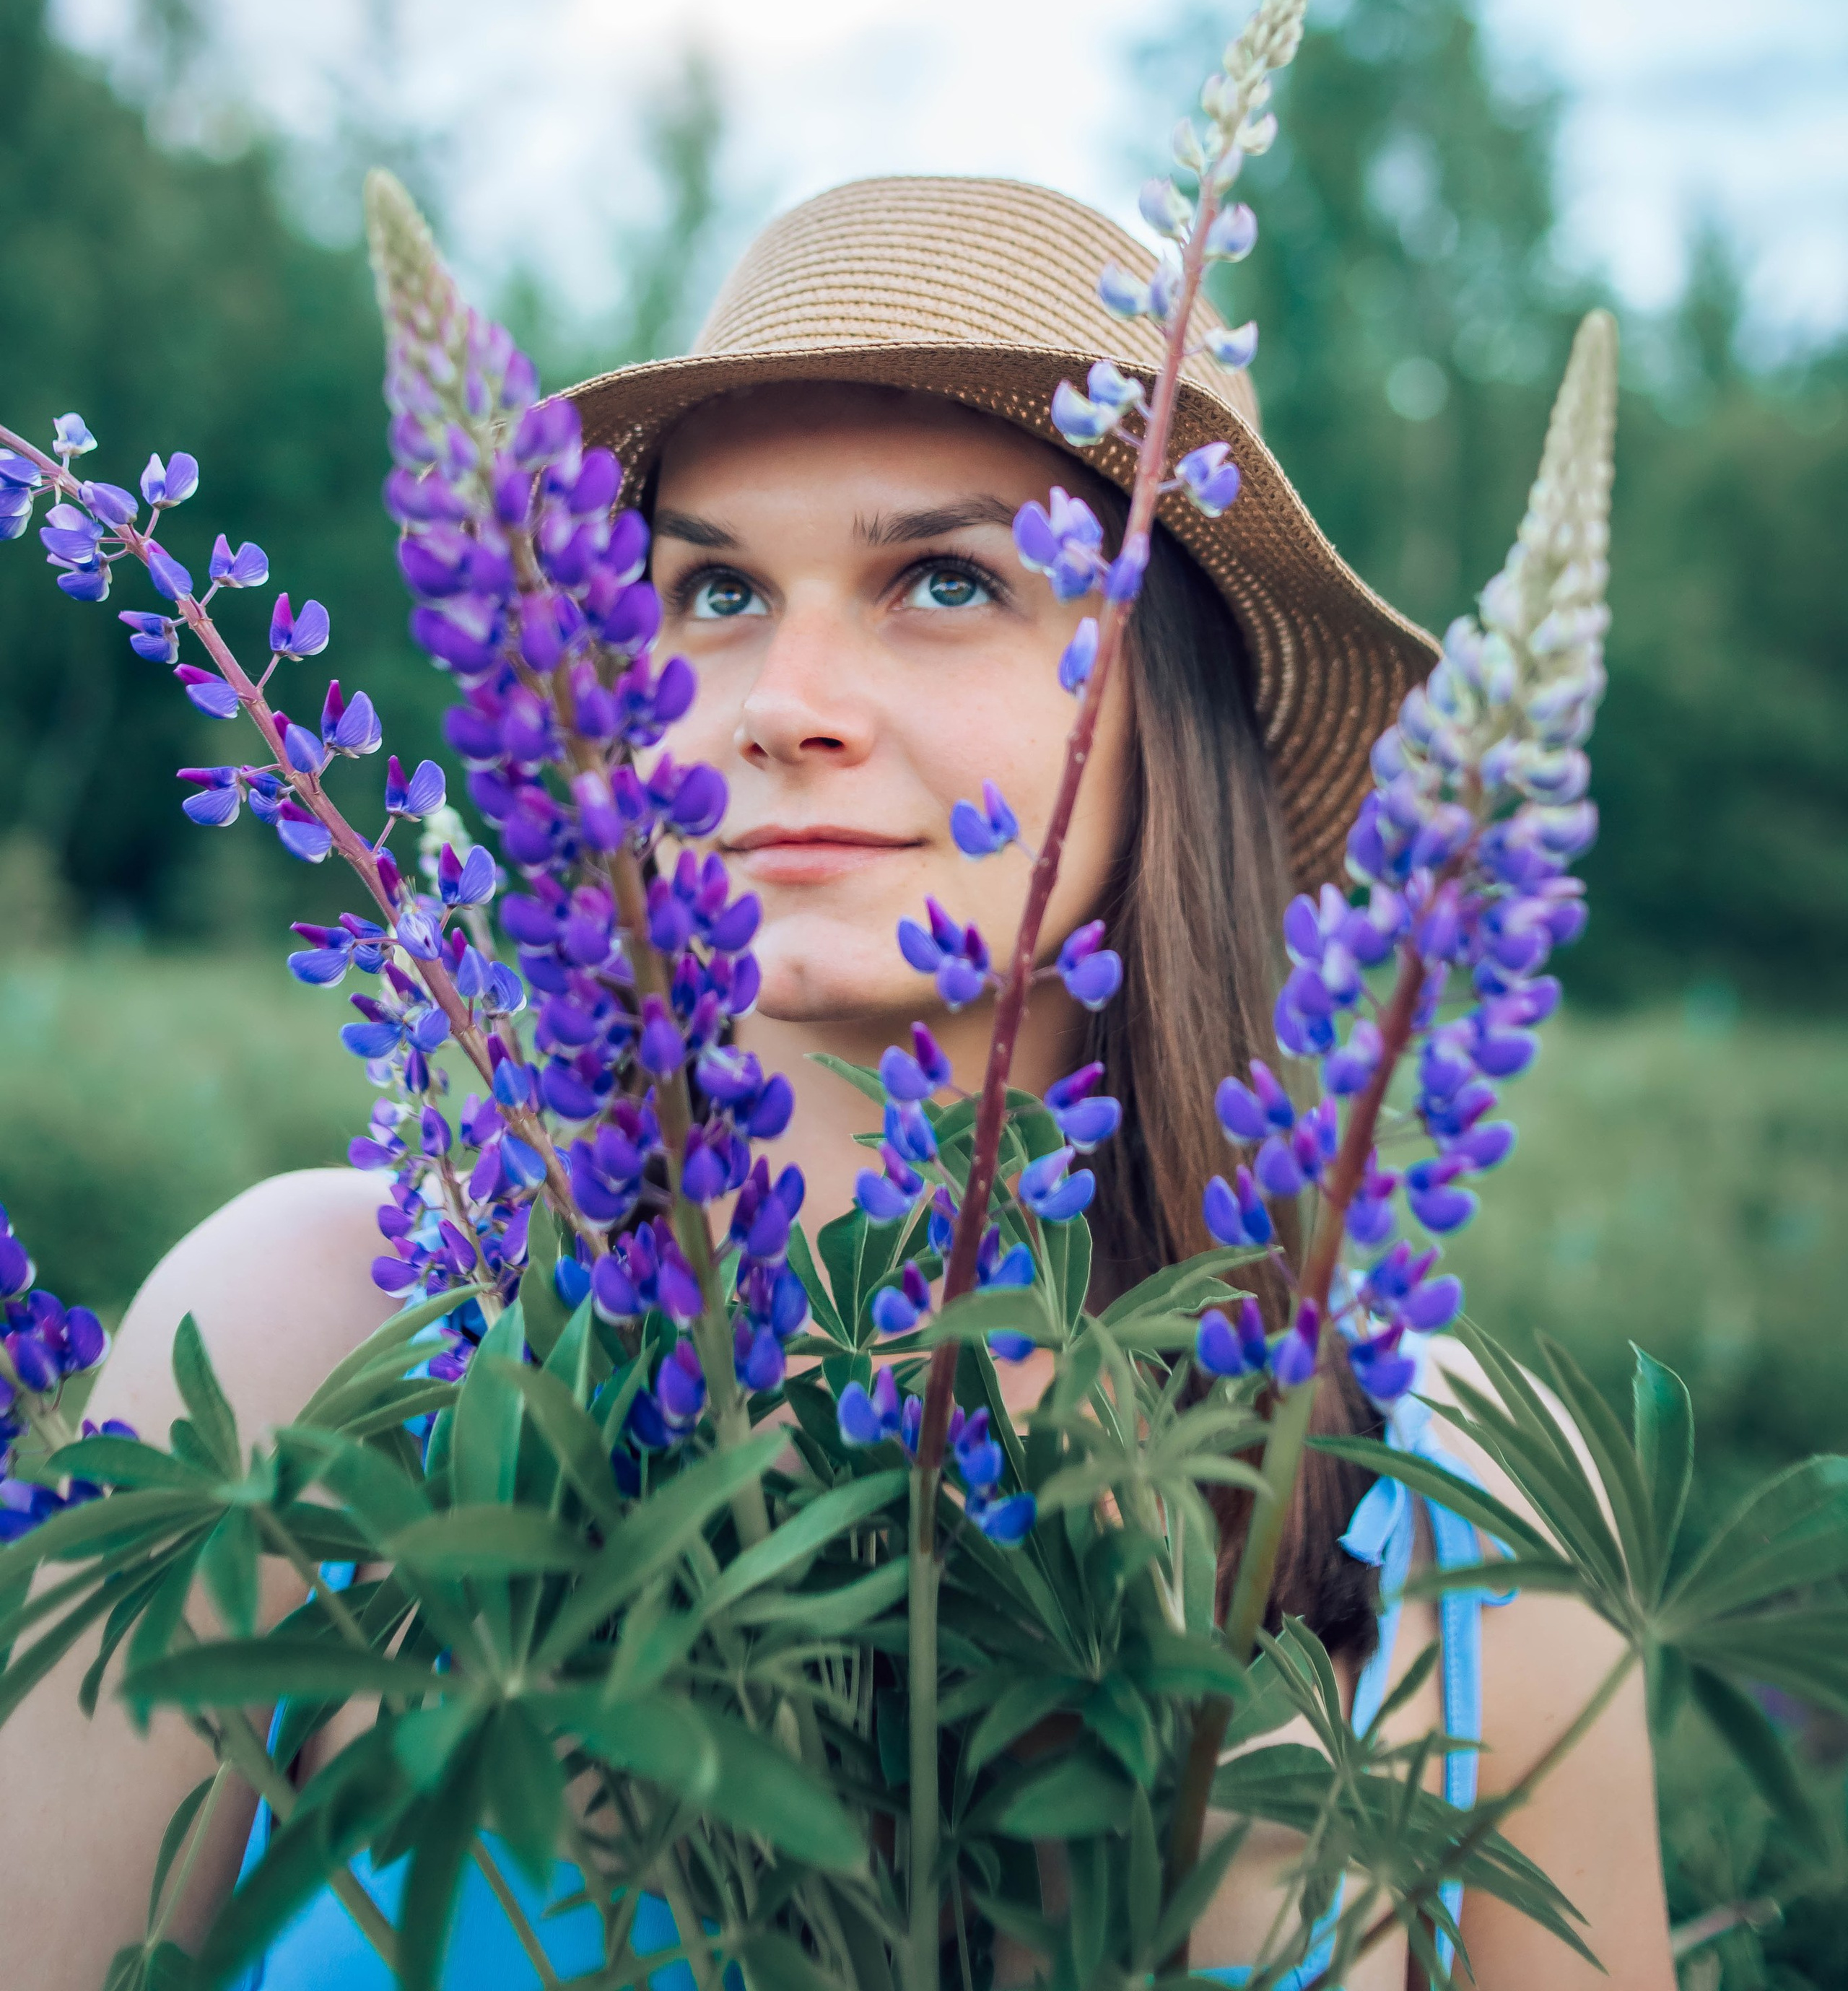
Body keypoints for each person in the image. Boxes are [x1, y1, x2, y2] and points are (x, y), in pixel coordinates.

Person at [0, 178, 1675, 1988]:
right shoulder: (311, 1331)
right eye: (713, 589)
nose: (781, 700)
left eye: (944, 580)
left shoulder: (1466, 1504)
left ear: (1167, 693)